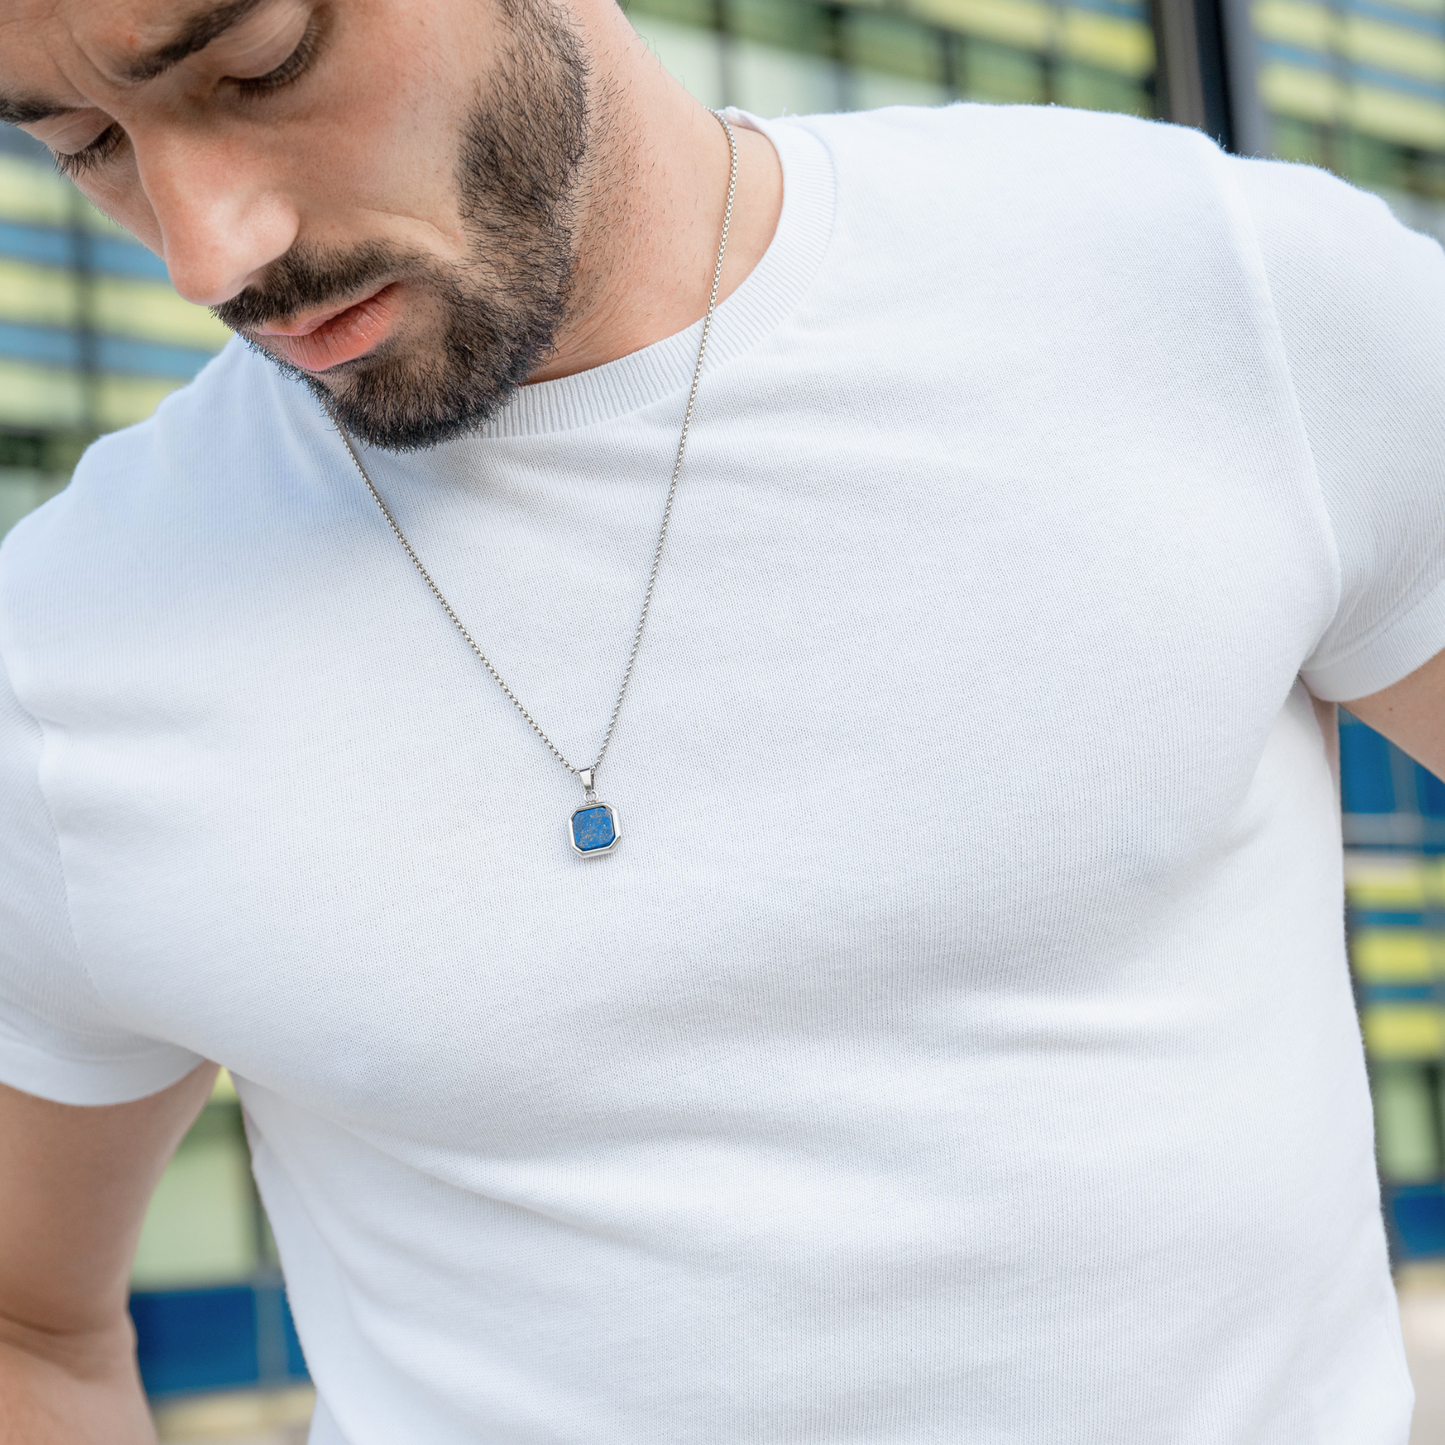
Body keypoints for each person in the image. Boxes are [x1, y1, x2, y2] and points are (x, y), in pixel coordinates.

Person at [2, 0, 1443, 1439]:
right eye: (83, 144)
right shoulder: (68, 644)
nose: (208, 250)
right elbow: (27, 1328)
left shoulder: (1221, 295)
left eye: (260, 67)